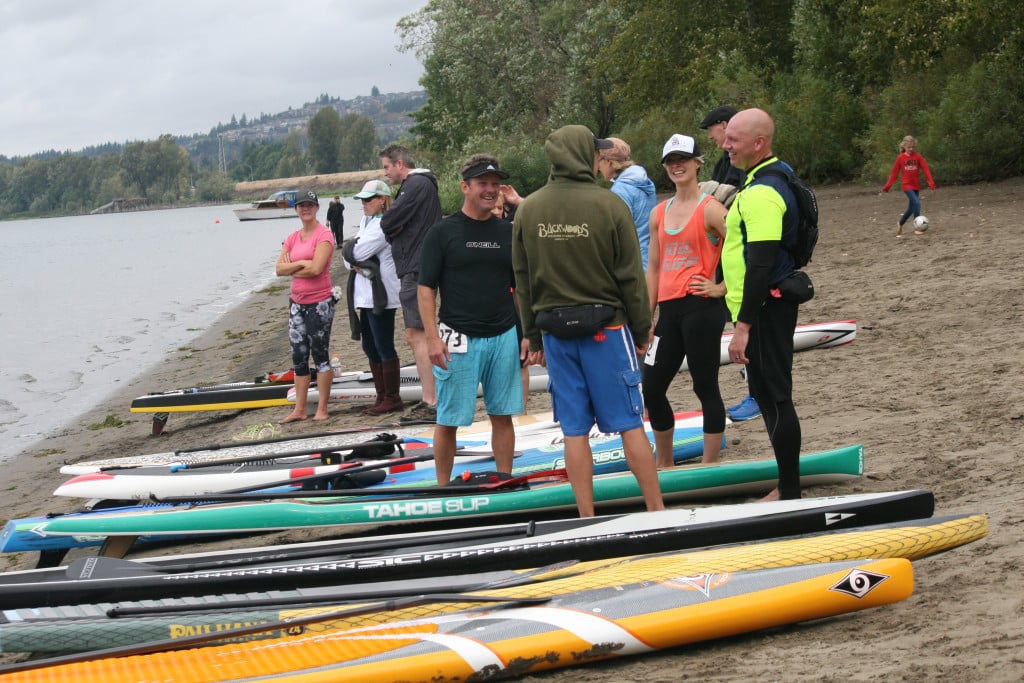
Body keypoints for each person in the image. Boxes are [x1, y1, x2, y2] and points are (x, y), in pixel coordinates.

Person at [513, 124, 665, 517]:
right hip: (608, 330)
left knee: (574, 431)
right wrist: (640, 327)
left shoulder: (529, 209)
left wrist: (533, 336)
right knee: (630, 422)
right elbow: (630, 274)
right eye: (596, 153)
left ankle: (587, 516)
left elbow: (523, 280)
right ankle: (657, 510)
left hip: (557, 335)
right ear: (585, 155)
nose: (601, 159)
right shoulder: (609, 204)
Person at [418, 154, 525, 484]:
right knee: (448, 418)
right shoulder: (442, 232)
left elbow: (519, 287)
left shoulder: (507, 231)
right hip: (457, 337)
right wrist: (432, 339)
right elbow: (425, 289)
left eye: (495, 184)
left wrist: (527, 332)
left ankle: (505, 479)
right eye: (483, 184)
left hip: (503, 334)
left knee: (502, 415)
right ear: (465, 187)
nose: (490, 190)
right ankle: (442, 486)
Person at [721, 108, 804, 501]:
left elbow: (761, 262)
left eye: (733, 140)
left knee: (774, 397)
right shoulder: (762, 180)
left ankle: (789, 490)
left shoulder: (763, 192)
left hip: (766, 310)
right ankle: (785, 484)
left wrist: (743, 326)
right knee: (769, 396)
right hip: (763, 308)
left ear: (759, 143)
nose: (725, 145)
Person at [643, 134, 728, 467]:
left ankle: (709, 465)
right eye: (670, 161)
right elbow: (653, 267)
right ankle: (665, 465)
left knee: (704, 385)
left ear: (697, 164)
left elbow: (745, 251)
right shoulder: (659, 213)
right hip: (669, 312)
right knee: (651, 388)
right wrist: (646, 317)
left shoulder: (711, 209)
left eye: (682, 160)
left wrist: (722, 288)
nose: (676, 166)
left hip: (702, 308)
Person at [700, 104, 760, 422]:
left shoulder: (742, 164)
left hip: (745, 255)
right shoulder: (726, 161)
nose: (714, 139)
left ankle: (757, 395)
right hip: (730, 256)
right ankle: (755, 390)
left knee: (747, 326)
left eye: (713, 131)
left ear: (724, 125)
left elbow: (735, 205)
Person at [378, 144, 443, 423]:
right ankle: (432, 397)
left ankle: (432, 400)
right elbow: (393, 225)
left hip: (416, 267)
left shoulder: (415, 184)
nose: (385, 173)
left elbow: (388, 220)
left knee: (419, 333)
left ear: (400, 163)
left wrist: (394, 226)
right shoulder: (422, 185)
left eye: (386, 167)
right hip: (417, 265)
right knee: (416, 333)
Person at [341, 179, 403, 415]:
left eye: (368, 199)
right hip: (365, 294)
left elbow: (355, 252)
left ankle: (392, 397)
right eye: (362, 200)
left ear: (382, 200)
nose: (364, 204)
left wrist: (352, 255)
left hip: (382, 293)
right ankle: (381, 396)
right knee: (369, 345)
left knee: (383, 344)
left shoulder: (384, 224)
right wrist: (353, 257)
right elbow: (349, 260)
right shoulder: (367, 221)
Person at [274, 189, 335, 423]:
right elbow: (279, 269)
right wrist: (301, 262)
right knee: (299, 356)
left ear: (317, 207)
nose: (305, 208)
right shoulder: (292, 238)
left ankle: (322, 408)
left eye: (310, 204)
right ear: (296, 209)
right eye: (301, 205)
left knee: (320, 354)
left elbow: (316, 269)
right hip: (296, 303)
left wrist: (295, 266)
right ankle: (300, 409)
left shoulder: (324, 235)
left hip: (320, 302)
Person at [596, 137, 657, 270]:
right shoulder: (644, 182)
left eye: (599, 160)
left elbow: (617, 235)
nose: (598, 166)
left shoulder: (620, 191)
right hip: (651, 260)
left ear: (609, 161)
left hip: (634, 265)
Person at [882, 135, 936, 237]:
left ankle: (900, 223)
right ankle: (917, 227)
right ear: (904, 146)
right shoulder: (900, 158)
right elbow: (894, 173)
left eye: (913, 147)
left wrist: (931, 183)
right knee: (917, 203)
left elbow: (926, 170)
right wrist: (887, 186)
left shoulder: (918, 156)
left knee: (911, 207)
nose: (911, 149)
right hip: (906, 185)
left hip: (915, 185)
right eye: (909, 147)